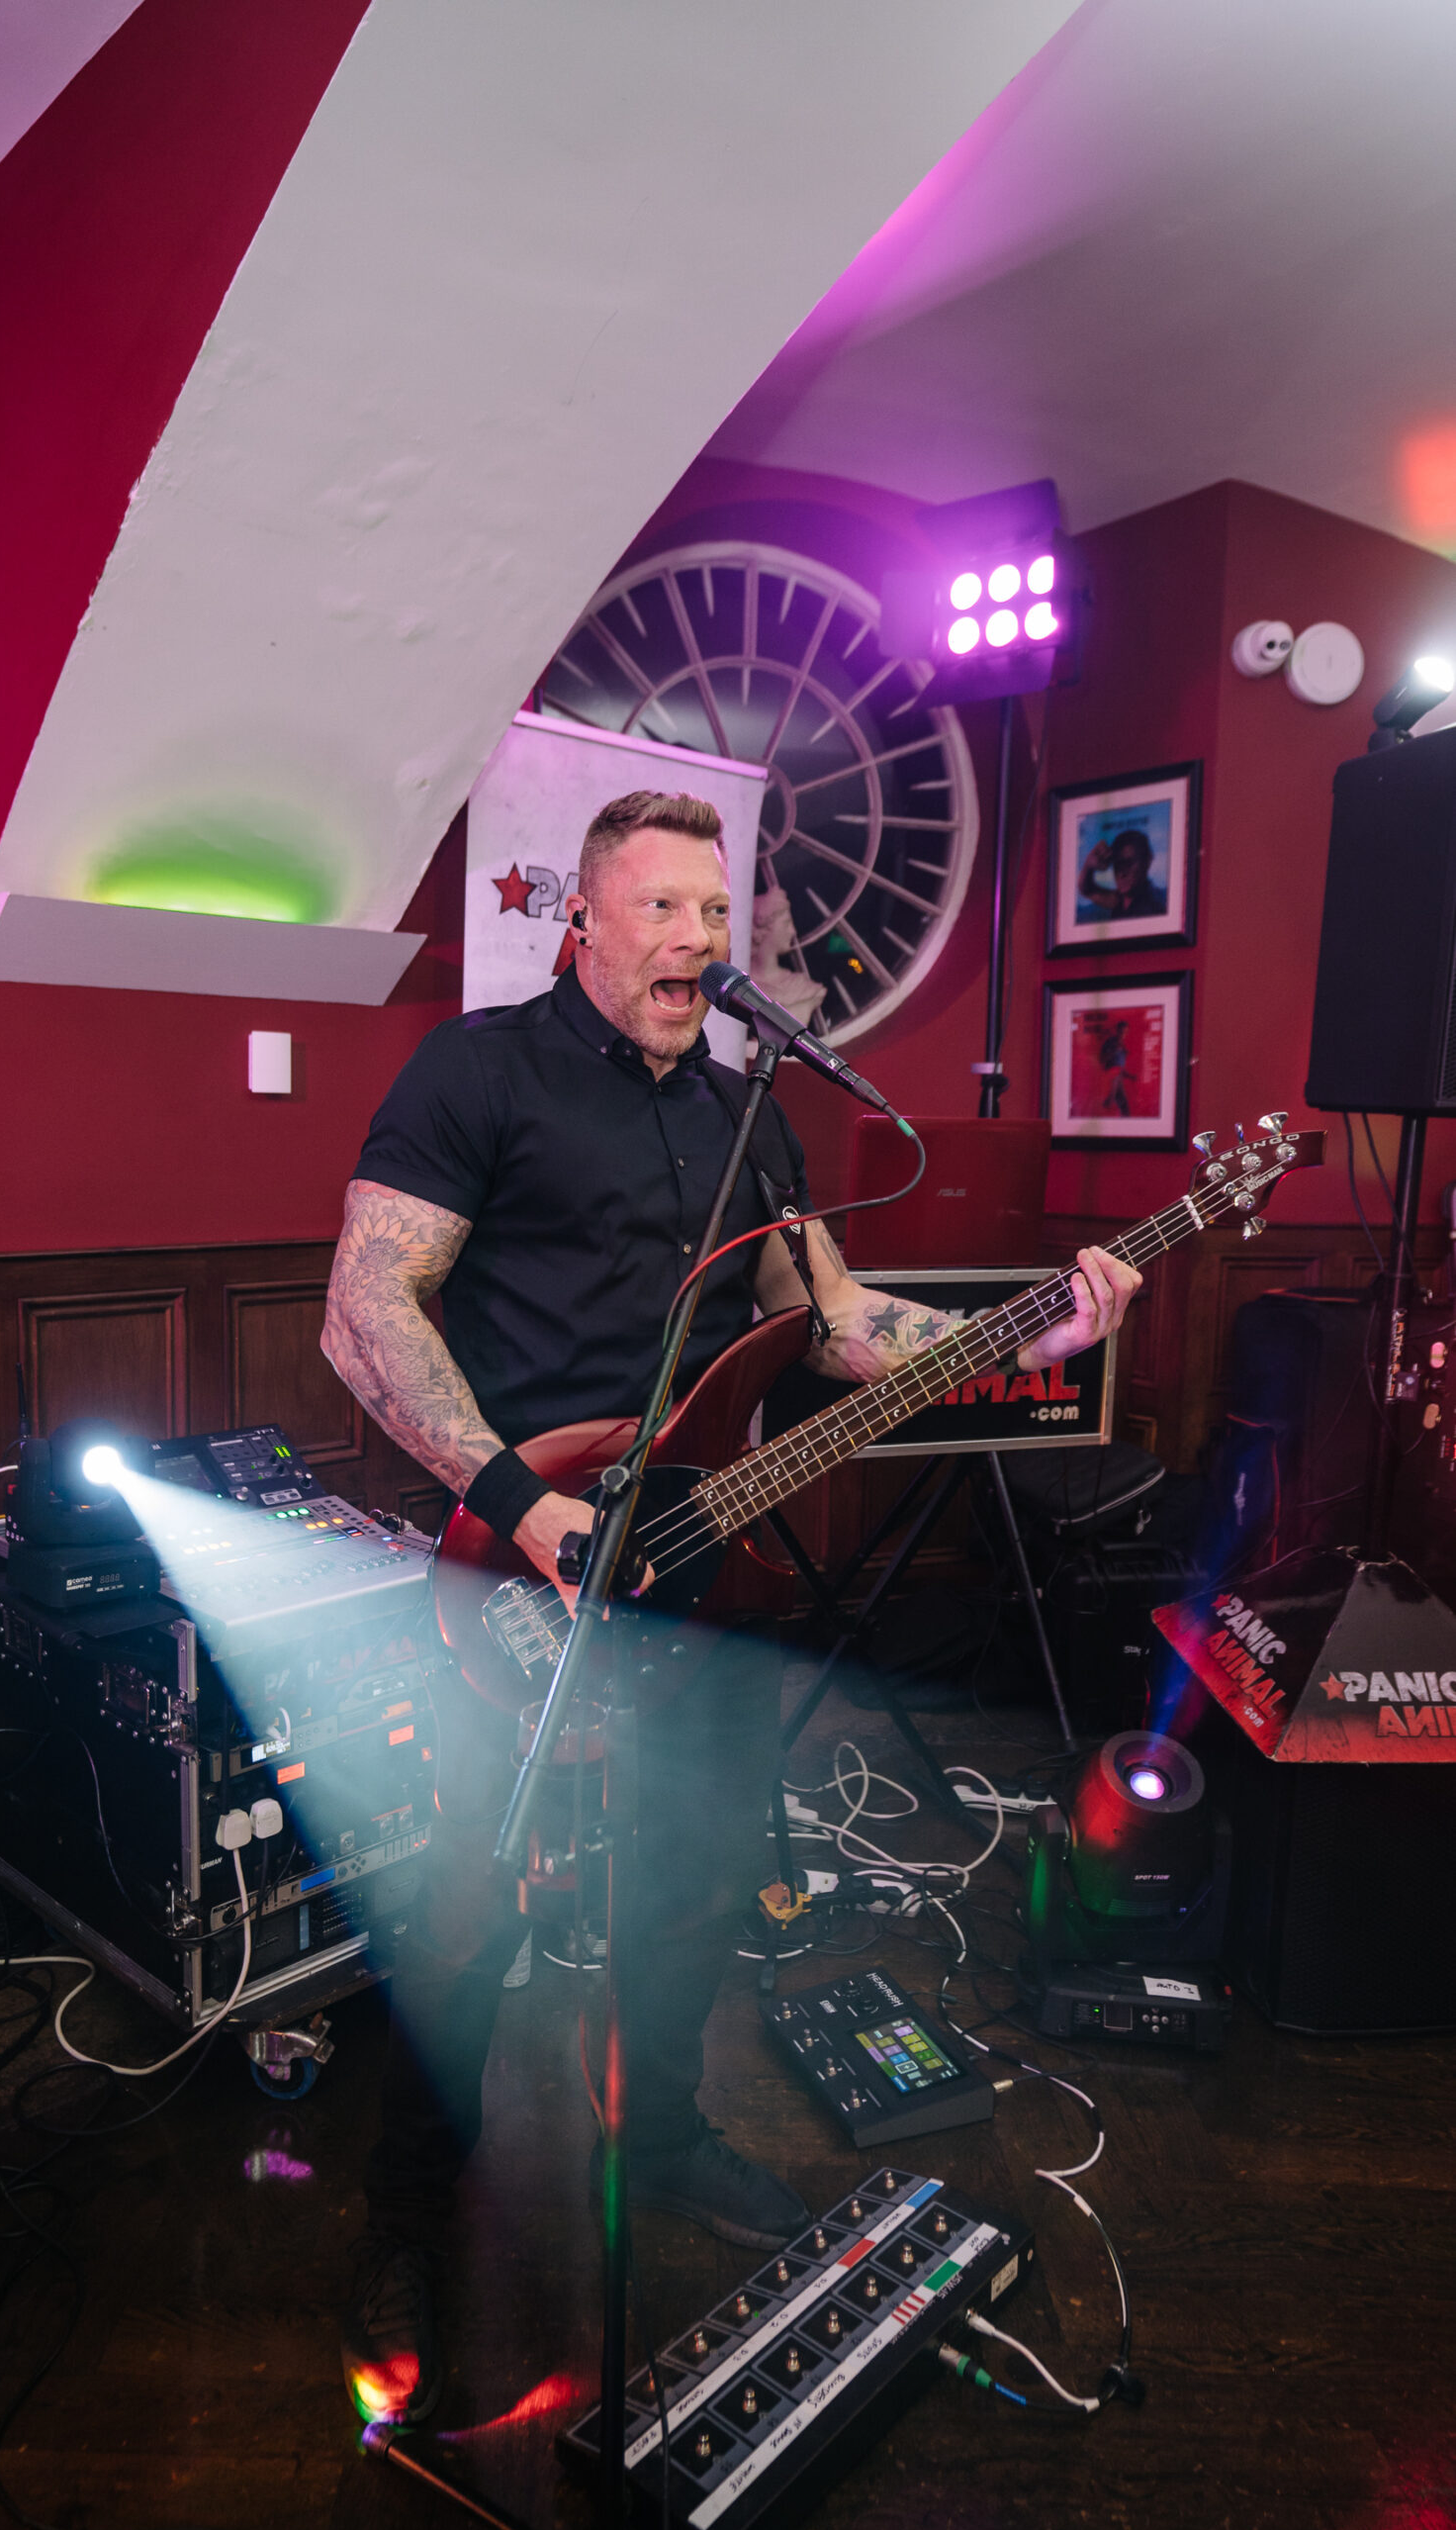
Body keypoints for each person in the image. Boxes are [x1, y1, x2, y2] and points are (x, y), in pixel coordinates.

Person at [321, 789, 1138, 2424]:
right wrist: (517, 1503)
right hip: (523, 1558)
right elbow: (362, 1309)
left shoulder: (748, 1113)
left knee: (697, 1875)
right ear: (584, 918)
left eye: (717, 912)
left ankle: (672, 2132)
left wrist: (1036, 1330)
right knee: (465, 1920)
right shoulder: (477, 1071)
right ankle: (411, 2215)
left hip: (700, 1554)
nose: (700, 940)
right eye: (667, 909)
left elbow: (827, 1320)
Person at [1077, 825, 1166, 922]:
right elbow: (1086, 889)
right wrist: (1089, 864)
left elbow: (1087, 890)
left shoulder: (1154, 906)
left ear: (1146, 861)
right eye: (1117, 864)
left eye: (1128, 863)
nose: (1121, 873)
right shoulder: (1120, 900)